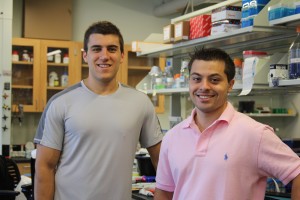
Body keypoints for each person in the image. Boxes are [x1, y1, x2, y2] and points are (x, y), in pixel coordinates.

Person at [33, 21, 163, 200]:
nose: (104, 56)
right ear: (85, 55)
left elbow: (161, 162)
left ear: (122, 55)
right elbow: (44, 167)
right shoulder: (60, 103)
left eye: (111, 49)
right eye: (96, 49)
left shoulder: (140, 102)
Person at [154, 48, 300, 200]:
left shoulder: (255, 134)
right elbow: (164, 192)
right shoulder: (172, 137)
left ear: (230, 85)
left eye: (214, 80)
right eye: (197, 79)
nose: (204, 86)